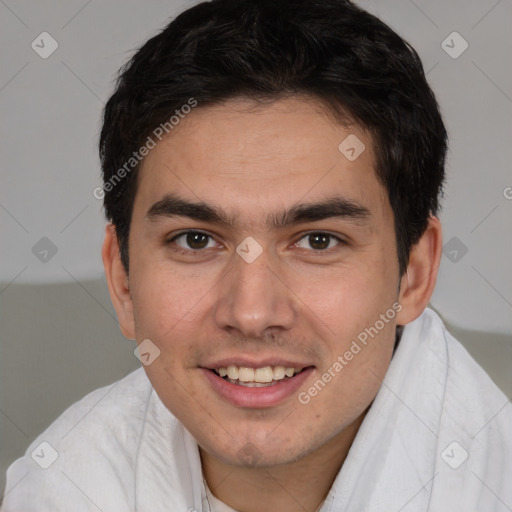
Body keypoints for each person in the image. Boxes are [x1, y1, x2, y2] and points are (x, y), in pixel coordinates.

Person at [2, 0, 511, 510]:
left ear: (414, 276)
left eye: (318, 241)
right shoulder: (58, 487)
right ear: (124, 280)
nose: (250, 313)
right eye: (195, 240)